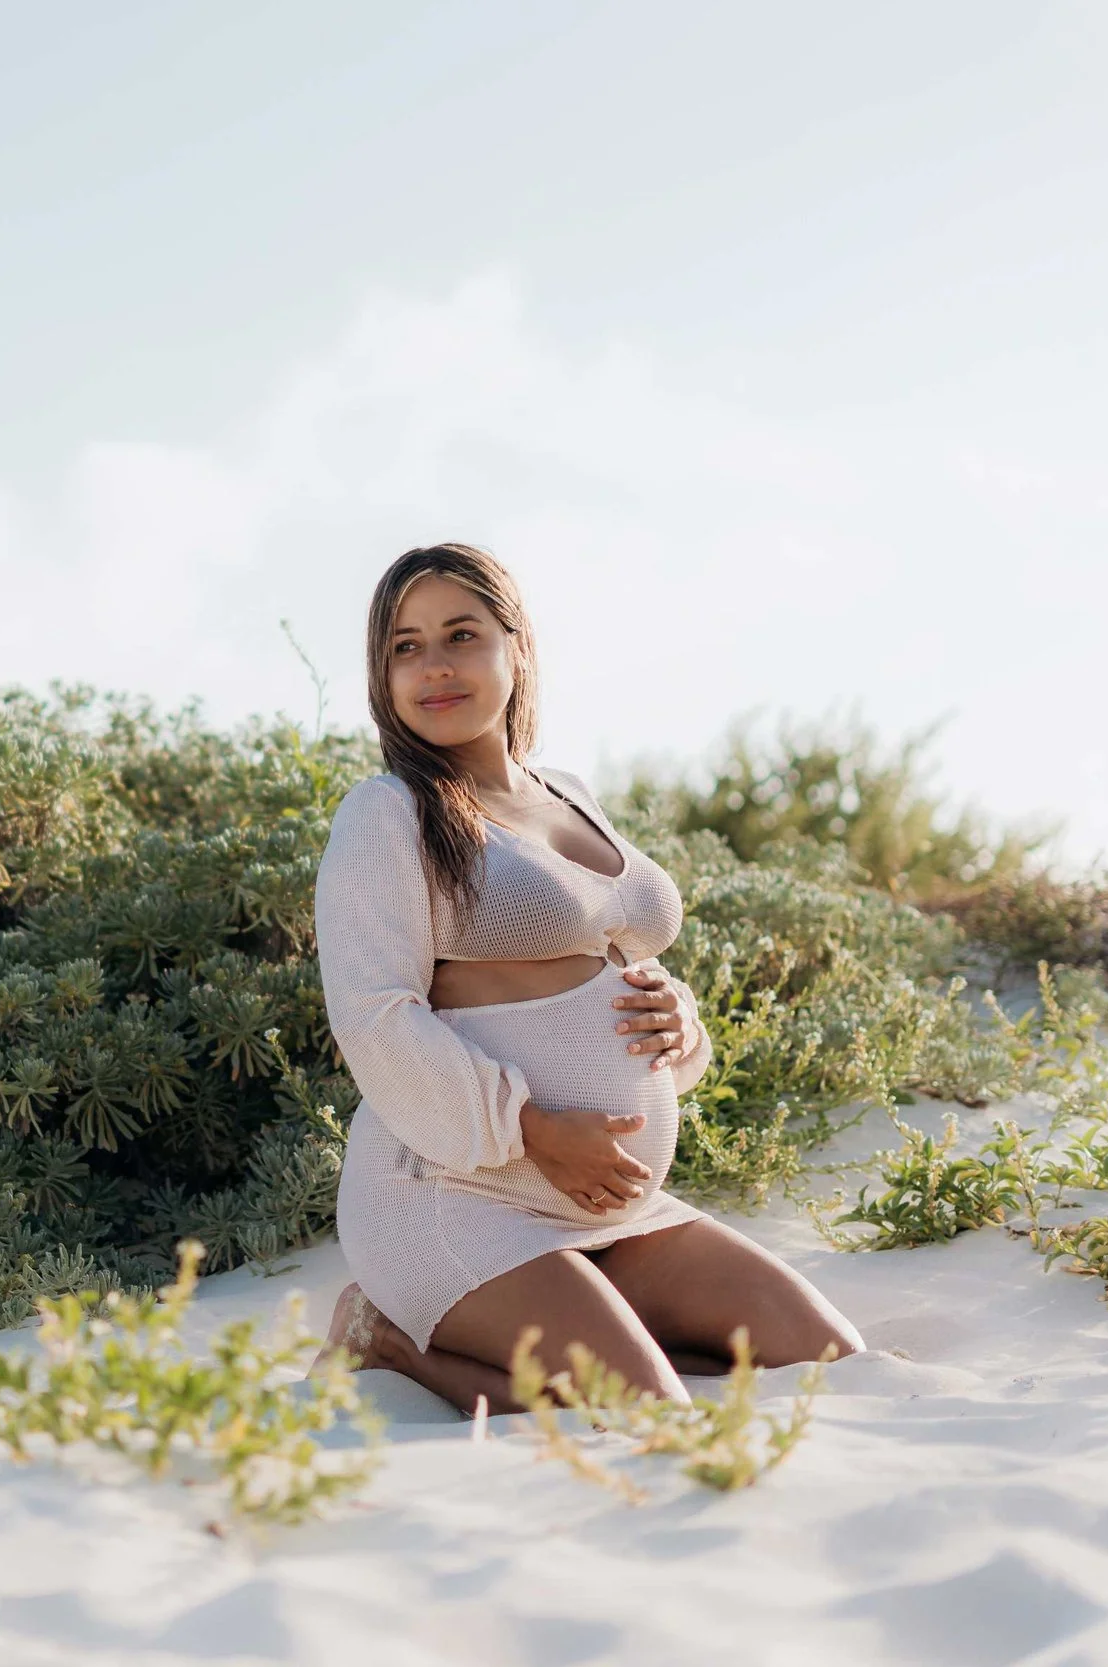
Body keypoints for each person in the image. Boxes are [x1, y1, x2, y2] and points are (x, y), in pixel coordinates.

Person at [313, 543, 863, 1409]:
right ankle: (387, 1342)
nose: (435, 667)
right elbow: (375, 1016)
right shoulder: (388, 812)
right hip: (458, 1196)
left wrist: (679, 1023)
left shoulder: (564, 789)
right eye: (405, 647)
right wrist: (533, 1129)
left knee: (829, 1357)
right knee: (649, 1412)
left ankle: (601, 1321)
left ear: (516, 645)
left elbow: (610, 954)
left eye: (461, 634)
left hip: (613, 1208)